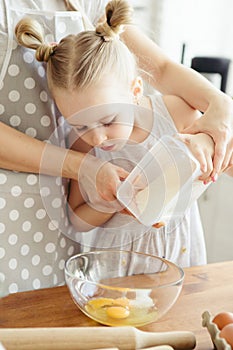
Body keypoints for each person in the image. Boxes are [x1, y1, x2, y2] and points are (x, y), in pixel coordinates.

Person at [0, 0, 233, 295]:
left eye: (108, 121)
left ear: (135, 91)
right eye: (80, 125)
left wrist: (207, 141)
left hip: (179, 258)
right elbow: (77, 218)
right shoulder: (85, 145)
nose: (97, 138)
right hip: (114, 273)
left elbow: (225, 159)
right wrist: (107, 203)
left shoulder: (175, 115)